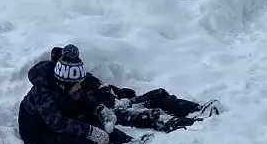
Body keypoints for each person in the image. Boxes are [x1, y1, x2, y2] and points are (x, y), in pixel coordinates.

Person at [19, 44, 151, 144]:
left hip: (57, 113)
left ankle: (126, 140)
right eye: (77, 84)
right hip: (39, 133)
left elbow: (81, 96)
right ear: (65, 83)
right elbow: (58, 123)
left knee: (91, 119)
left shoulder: (64, 85)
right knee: (77, 140)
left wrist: (99, 108)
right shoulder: (43, 93)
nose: (79, 87)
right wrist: (90, 132)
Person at [50, 46, 221, 132]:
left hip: (120, 101)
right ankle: (192, 125)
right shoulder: (67, 92)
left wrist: (121, 92)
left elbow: (101, 87)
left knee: (159, 94)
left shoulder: (81, 75)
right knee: (153, 114)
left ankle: (197, 109)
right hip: (113, 113)